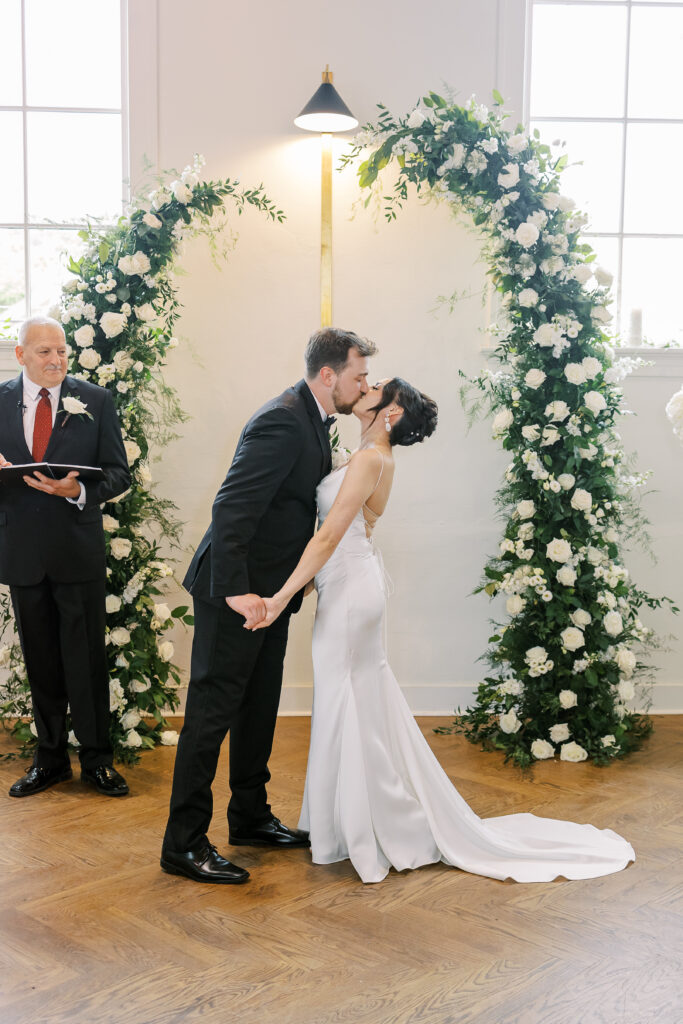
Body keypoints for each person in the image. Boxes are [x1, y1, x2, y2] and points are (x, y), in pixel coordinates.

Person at [251, 377, 636, 884]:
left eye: (377, 389)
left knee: (348, 703)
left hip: (350, 594)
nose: (366, 388)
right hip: (348, 587)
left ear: (389, 414)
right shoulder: (366, 453)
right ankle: (346, 825)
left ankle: (375, 826)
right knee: (352, 702)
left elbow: (327, 537)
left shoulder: (371, 459)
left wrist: (280, 598)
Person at [161, 327, 378, 884]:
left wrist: (286, 589)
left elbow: (289, 509)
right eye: (359, 375)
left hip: (271, 596)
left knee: (258, 707)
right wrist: (238, 591)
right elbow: (232, 505)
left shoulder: (312, 419)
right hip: (237, 594)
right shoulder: (283, 418)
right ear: (328, 375)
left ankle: (250, 816)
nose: (365, 384)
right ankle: (182, 843)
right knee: (211, 716)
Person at [0, 316, 131, 798]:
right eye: (44, 353)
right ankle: (49, 759)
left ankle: (97, 760)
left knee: (86, 662)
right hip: (22, 555)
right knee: (42, 662)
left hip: (77, 554)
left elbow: (119, 473)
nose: (56, 360)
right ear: (20, 356)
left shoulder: (94, 401)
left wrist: (78, 489)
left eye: (62, 352)